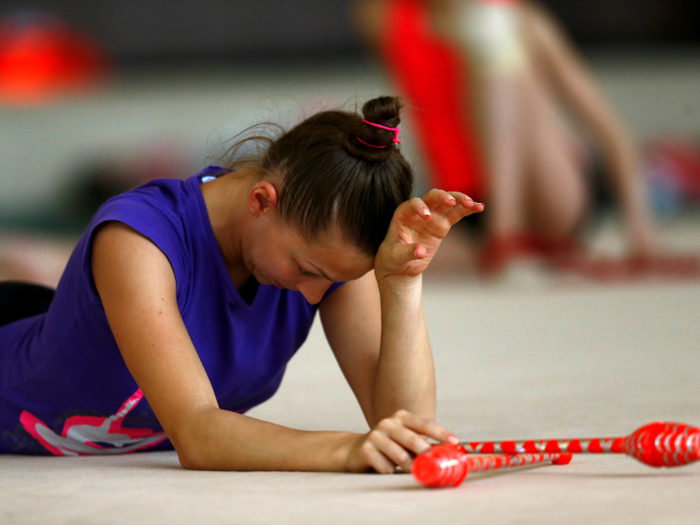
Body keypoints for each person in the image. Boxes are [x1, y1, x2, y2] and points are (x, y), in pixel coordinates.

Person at [0, 96, 484, 474]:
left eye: (332, 281)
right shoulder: (138, 237)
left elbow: (406, 429)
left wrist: (401, 282)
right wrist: (345, 449)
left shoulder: (327, 260)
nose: (316, 297)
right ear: (260, 200)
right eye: (309, 271)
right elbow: (197, 434)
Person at [353, 0, 669, 275]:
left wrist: (641, 230)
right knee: (364, 253)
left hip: (551, 195)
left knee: (495, 35)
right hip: (466, 204)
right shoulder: (387, 17)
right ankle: (500, 244)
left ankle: (506, 232)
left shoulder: (523, 20)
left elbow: (612, 132)